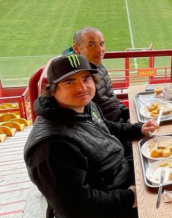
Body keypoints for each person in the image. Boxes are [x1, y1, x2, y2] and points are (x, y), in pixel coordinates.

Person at [24, 54, 158, 218]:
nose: (82, 88)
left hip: (120, 174)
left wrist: (138, 129)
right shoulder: (50, 147)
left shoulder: (83, 105)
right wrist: (131, 197)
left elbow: (104, 126)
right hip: (108, 204)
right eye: (69, 82)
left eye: (86, 79)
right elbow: (77, 208)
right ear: (52, 90)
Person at [69, 27, 129, 123]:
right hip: (110, 130)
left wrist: (127, 113)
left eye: (101, 44)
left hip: (119, 122)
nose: (99, 50)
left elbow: (111, 98)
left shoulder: (99, 66)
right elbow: (96, 124)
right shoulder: (78, 78)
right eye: (92, 45)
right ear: (76, 48)